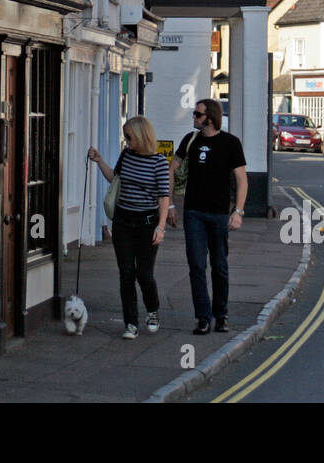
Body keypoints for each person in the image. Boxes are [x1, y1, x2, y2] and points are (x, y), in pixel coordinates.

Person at [167, 99, 246, 336]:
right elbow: (171, 169)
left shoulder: (230, 143)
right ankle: (203, 318)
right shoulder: (191, 140)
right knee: (196, 266)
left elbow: (242, 180)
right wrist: (170, 204)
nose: (194, 117)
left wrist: (238, 211)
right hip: (194, 214)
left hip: (220, 214)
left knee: (219, 266)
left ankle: (221, 316)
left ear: (209, 118)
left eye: (197, 114)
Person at [88, 116, 170, 340]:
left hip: (147, 224)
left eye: (129, 137)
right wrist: (99, 161)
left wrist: (160, 228)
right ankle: (131, 323)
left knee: (144, 274)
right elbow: (115, 179)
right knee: (126, 273)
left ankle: (152, 311)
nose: (127, 142)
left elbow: (164, 198)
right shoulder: (127, 156)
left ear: (142, 136)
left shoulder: (159, 162)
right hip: (123, 221)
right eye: (125, 137)